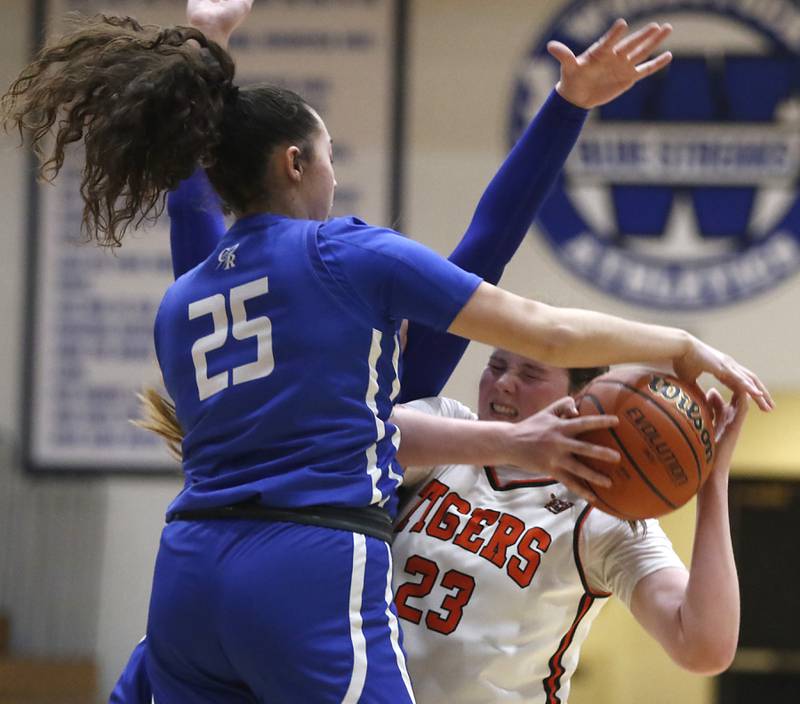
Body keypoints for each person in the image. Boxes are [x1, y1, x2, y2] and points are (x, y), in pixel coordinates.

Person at [3, 3, 771, 702]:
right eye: (330, 152)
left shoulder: (191, 293)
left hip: (193, 562)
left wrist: (206, 48)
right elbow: (500, 266)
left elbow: (189, 204)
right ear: (296, 164)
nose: (338, 171)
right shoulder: (348, 268)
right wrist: (676, 343)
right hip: (306, 565)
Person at [390, 350, 745, 703]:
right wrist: (514, 445)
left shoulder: (601, 513)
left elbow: (704, 648)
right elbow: (358, 439)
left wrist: (712, 480)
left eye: (529, 374)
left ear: (581, 397)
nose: (503, 383)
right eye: (496, 366)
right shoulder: (447, 427)